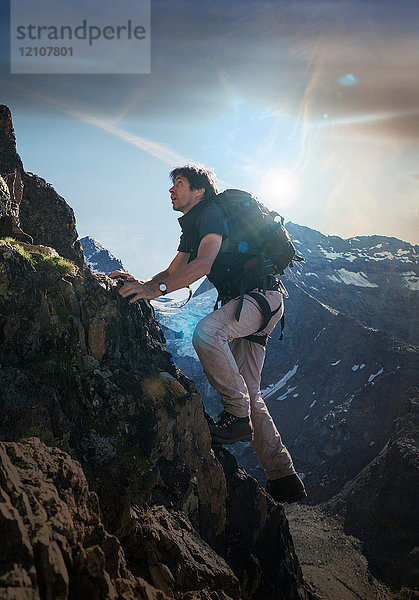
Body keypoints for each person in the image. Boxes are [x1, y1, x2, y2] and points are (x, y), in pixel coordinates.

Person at [108, 164, 306, 503]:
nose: (172, 191)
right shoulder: (193, 226)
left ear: (199, 190)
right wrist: (142, 284)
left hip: (258, 300)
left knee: (206, 333)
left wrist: (154, 291)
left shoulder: (211, 213)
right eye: (172, 186)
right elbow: (173, 271)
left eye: (180, 184)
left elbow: (202, 266)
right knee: (252, 393)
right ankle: (283, 477)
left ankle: (235, 417)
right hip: (256, 302)